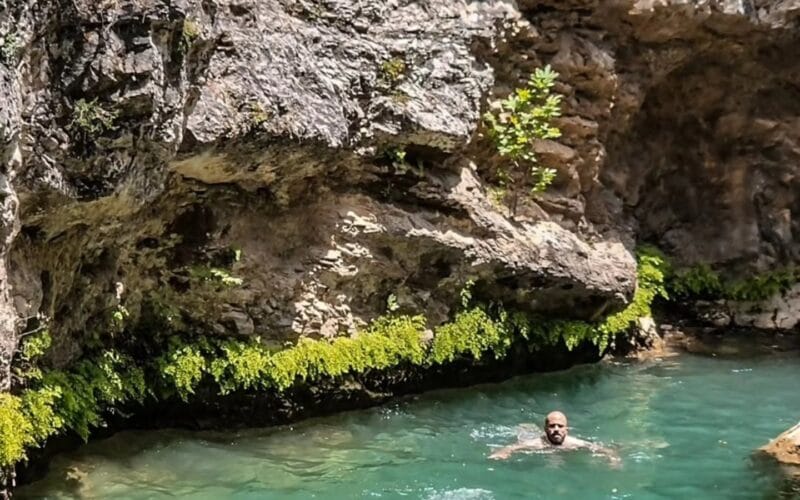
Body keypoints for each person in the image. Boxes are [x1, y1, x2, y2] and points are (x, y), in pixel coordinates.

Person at [489, 411, 620, 465]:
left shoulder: (574, 443)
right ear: (546, 429)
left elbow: (604, 449)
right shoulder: (536, 444)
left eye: (560, 426)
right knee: (525, 432)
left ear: (566, 430)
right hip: (533, 437)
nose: (556, 429)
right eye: (552, 426)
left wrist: (613, 459)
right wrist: (502, 453)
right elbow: (511, 447)